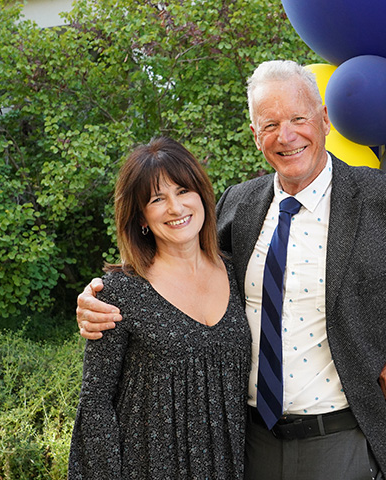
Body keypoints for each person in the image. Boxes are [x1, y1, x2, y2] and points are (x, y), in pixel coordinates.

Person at [76, 61, 386, 480]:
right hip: (245, 445)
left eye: (298, 119)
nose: (286, 136)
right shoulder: (238, 206)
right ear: (255, 135)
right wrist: (100, 297)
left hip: (338, 440)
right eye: (270, 125)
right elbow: (180, 274)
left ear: (324, 119)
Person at [68, 137, 251, 479]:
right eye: (157, 199)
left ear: (201, 196)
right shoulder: (119, 293)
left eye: (183, 191)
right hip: (148, 468)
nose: (175, 207)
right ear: (141, 218)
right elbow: (95, 404)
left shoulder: (238, 272)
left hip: (229, 466)